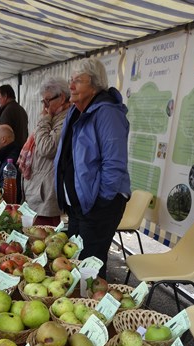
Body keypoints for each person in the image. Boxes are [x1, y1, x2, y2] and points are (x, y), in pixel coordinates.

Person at [54, 57, 131, 278]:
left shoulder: (107, 113)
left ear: (95, 84)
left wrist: (99, 202)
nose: (71, 86)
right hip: (81, 204)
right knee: (76, 265)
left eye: (78, 80)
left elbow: (114, 163)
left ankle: (94, 310)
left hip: (98, 205)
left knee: (90, 269)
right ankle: (83, 304)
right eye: (71, 80)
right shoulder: (76, 111)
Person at [21, 77, 70, 226]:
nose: (45, 107)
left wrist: (44, 120)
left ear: (62, 98)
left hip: (46, 193)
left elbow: (47, 148)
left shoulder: (65, 118)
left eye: (47, 101)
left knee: (43, 236)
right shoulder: (53, 117)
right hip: (37, 190)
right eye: (43, 102)